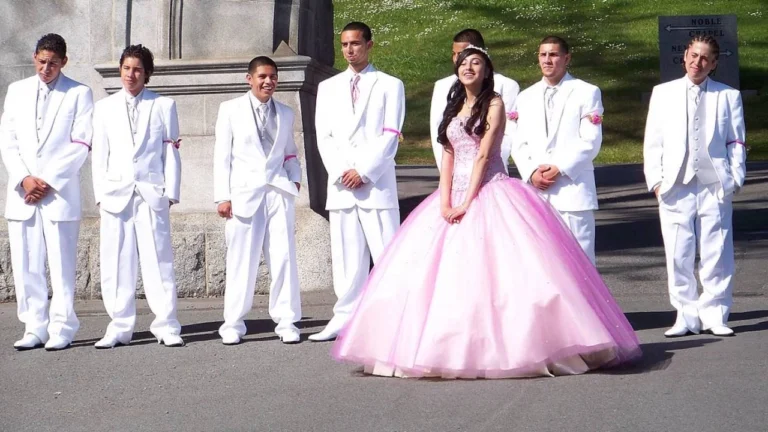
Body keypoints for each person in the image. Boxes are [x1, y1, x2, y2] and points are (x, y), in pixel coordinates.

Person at [332, 46, 641, 378]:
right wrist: (445, 199)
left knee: (508, 272)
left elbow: (482, 155)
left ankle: (529, 346)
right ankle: (437, 346)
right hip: (454, 193)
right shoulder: (453, 106)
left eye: (476, 63)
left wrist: (468, 200)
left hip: (492, 189)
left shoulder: (494, 103)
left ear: (486, 71)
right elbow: (448, 155)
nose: (468, 67)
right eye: (463, 63)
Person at [643, 35, 746, 338]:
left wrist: (734, 177)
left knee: (717, 251)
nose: (697, 62)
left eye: (705, 58)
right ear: (684, 56)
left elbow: (736, 140)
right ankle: (685, 315)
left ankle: (715, 313)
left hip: (715, 183)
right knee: (678, 251)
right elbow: (653, 141)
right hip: (675, 183)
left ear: (713, 63)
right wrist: (657, 181)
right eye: (693, 55)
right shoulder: (663, 93)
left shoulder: (728, 96)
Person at [312, 21, 406, 342]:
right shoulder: (329, 87)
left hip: (375, 184)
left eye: (355, 43)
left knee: (386, 253)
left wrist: (364, 171)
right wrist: (342, 171)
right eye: (344, 45)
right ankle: (345, 317)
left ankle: (396, 317)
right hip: (341, 186)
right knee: (346, 257)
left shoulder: (391, 85)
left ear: (369, 45)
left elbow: (390, 135)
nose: (349, 50)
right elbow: (323, 136)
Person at [0, 33, 93, 351]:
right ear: (34, 58)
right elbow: (7, 139)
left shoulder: (79, 93)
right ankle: (33, 325)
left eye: (53, 63)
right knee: (26, 263)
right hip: (23, 192)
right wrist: (25, 178)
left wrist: (47, 180)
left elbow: (81, 143)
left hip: (58, 193)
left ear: (64, 62)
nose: (46, 68)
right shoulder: (16, 91)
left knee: (62, 263)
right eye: (41, 61)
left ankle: (63, 326)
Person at [91, 44, 184, 348]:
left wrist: (171, 193)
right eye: (127, 68)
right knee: (117, 260)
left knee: (159, 260)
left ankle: (167, 325)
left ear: (147, 74)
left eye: (138, 69)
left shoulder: (163, 105)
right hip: (116, 194)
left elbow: (170, 152)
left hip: (151, 193)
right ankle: (119, 326)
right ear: (120, 70)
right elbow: (99, 156)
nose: (131, 75)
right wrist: (101, 196)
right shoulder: (104, 108)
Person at [214, 56, 303, 345]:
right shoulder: (230, 110)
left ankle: (287, 320)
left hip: (278, 192)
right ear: (249, 78)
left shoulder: (286, 113)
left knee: (283, 257)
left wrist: (295, 178)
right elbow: (222, 156)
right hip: (244, 195)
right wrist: (222, 197)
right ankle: (233, 323)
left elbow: (290, 152)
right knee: (241, 260)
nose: (268, 82)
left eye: (273, 77)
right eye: (263, 76)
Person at [511, 36, 603, 264]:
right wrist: (532, 171)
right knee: (541, 263)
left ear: (566, 58)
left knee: (580, 261)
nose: (547, 60)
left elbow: (590, 141)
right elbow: (517, 141)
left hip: (573, 189)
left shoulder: (587, 92)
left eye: (553, 54)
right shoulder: (525, 97)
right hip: (537, 193)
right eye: (543, 55)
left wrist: (559, 168)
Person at [430, 29, 519, 173]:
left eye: (462, 54)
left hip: (491, 172)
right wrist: (447, 171)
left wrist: (486, 168)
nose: (457, 59)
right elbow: (438, 130)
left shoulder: (506, 85)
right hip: (454, 172)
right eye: (455, 54)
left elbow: (507, 133)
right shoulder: (442, 86)